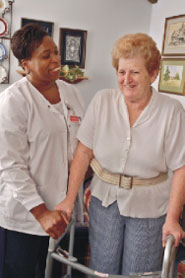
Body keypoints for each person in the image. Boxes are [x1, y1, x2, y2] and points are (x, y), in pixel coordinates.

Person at [55, 33, 185, 276]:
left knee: (139, 272)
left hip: (149, 206)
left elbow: (181, 167)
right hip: (104, 201)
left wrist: (173, 219)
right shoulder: (102, 101)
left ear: (153, 73)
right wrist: (69, 199)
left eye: (135, 72)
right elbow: (84, 152)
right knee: (102, 270)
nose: (127, 79)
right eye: (121, 72)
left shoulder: (172, 111)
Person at [0, 23, 84, 278]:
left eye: (56, 52)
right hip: (24, 216)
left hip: (63, 212)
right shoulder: (13, 101)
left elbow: (83, 145)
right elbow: (10, 165)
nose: (56, 59)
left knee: (56, 272)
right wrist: (41, 212)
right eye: (45, 56)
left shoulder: (71, 93)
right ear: (25, 64)